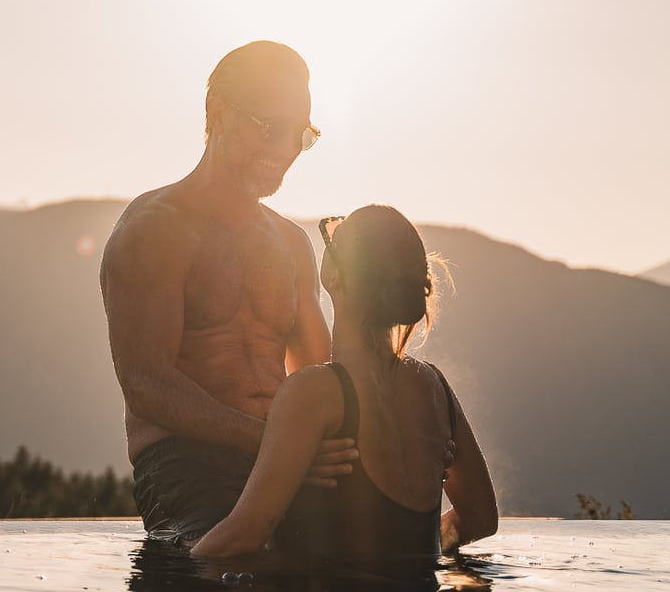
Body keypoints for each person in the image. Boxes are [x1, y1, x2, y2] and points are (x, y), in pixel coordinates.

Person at [101, 41, 357, 542]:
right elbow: (144, 382)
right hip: (188, 464)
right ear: (218, 113)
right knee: (239, 564)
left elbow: (322, 373)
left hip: (283, 457)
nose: (285, 150)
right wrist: (274, 443)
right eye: (271, 128)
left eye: (301, 135)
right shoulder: (155, 229)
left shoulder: (290, 244)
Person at [190, 205, 497, 565]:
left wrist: (179, 570)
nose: (329, 233)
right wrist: (415, 551)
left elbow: (243, 536)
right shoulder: (435, 389)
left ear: (336, 276)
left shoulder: (314, 392)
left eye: (334, 233)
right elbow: (481, 518)